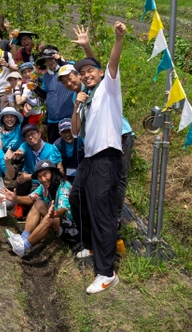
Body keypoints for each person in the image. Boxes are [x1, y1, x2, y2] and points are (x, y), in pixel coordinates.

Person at [69, 21, 127, 295]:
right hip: (89, 160)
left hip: (106, 159)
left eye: (90, 71)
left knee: (103, 214)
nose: (86, 75)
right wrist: (78, 104)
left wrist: (118, 39)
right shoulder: (88, 98)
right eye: (81, 73)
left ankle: (106, 273)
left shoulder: (108, 88)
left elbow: (109, 65)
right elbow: (75, 131)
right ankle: (92, 244)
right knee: (76, 199)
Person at [1, 160, 80, 256]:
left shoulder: (64, 186)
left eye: (45, 174)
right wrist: (15, 198)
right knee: (38, 203)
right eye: (39, 176)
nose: (43, 179)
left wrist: (53, 214)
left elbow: (63, 209)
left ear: (53, 172)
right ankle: (23, 238)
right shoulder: (44, 187)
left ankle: (23, 247)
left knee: (50, 218)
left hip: (74, 230)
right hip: (59, 222)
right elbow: (31, 199)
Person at [12, 124, 63, 219]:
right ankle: (20, 206)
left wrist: (30, 177)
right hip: (28, 180)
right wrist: (19, 153)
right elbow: (21, 150)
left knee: (35, 197)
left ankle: (27, 206)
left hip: (43, 181)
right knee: (21, 176)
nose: (31, 137)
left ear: (39, 134)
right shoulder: (26, 145)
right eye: (27, 136)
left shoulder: (51, 149)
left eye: (33, 133)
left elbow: (51, 170)